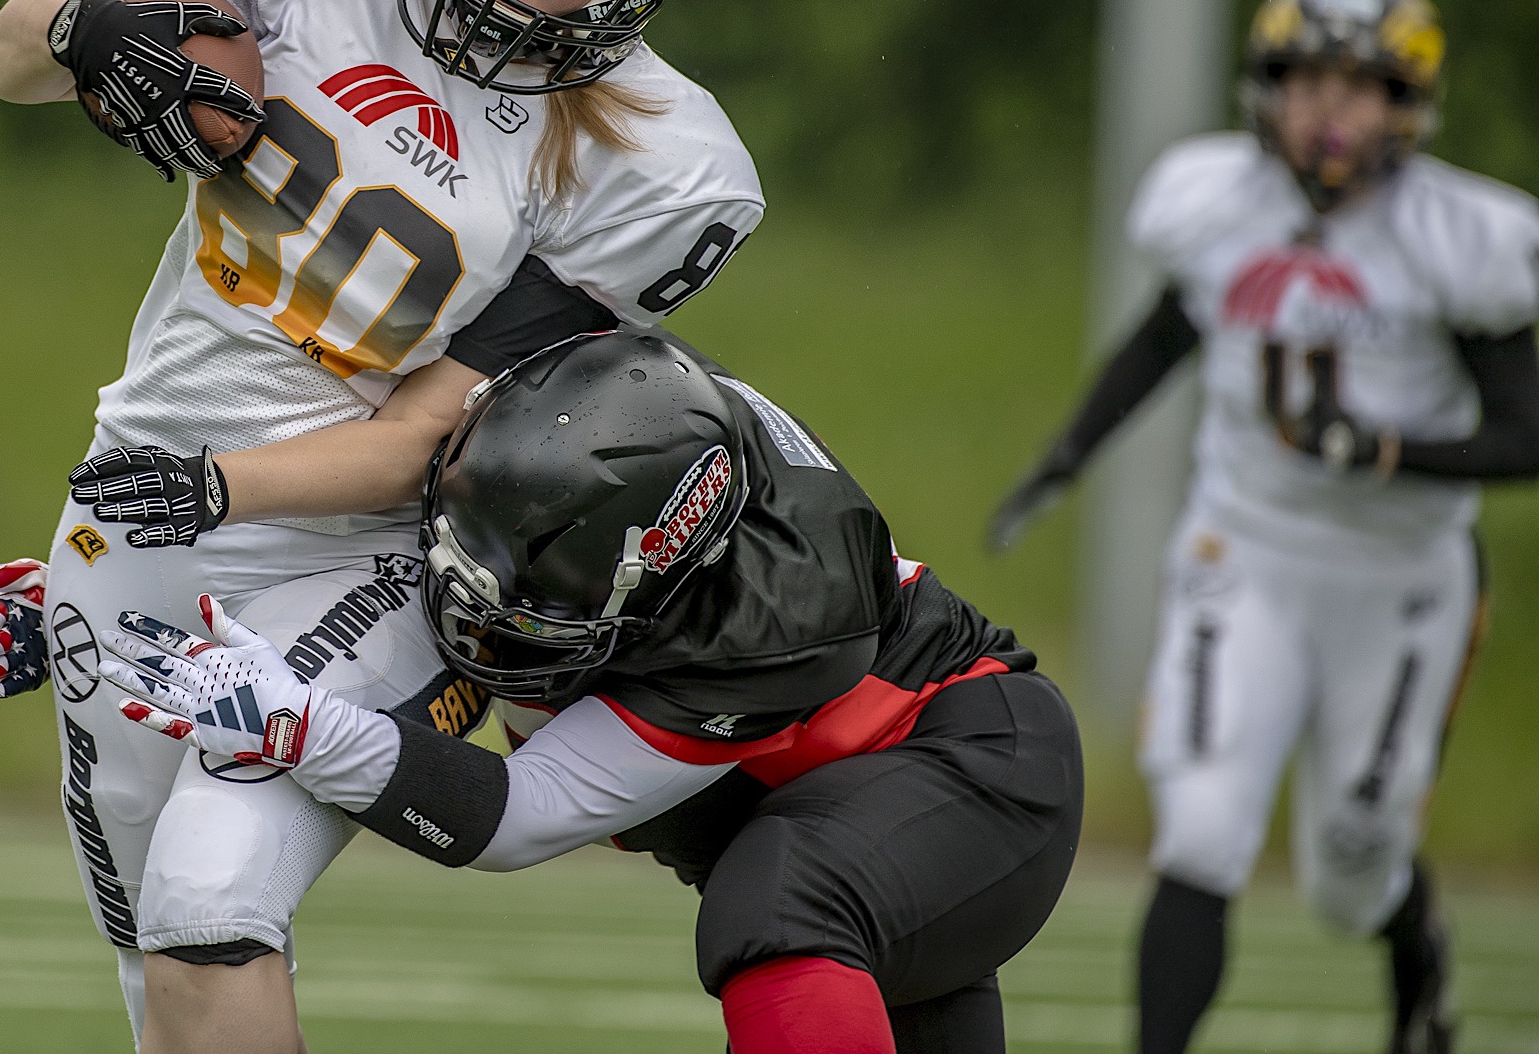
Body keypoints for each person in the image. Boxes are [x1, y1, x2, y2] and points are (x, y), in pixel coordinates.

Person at [0, 0, 764, 1054]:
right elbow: (5, 64)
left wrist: (214, 492)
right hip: (136, 491)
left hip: (373, 549)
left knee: (211, 897)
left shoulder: (663, 163)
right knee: (150, 977)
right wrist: (77, 22)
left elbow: (421, 436)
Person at [99, 331, 1086, 1054]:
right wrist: (93, 613)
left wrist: (302, 728)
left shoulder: (772, 620)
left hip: (973, 773)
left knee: (781, 901)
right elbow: (362, 589)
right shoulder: (581, 427)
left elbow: (515, 818)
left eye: (531, 610)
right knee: (791, 896)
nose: (472, 619)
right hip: (852, 830)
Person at [986, 0, 1539, 1054]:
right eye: (1305, 80)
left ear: (1405, 103)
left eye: (1357, 86)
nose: (1325, 112)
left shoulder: (1456, 239)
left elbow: (1525, 434)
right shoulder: (1216, 202)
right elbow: (1169, 333)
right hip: (1242, 550)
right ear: (1264, 86)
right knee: (1199, 830)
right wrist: (1068, 453)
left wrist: (1385, 451)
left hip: (1398, 581)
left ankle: (1413, 945)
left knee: (1351, 863)